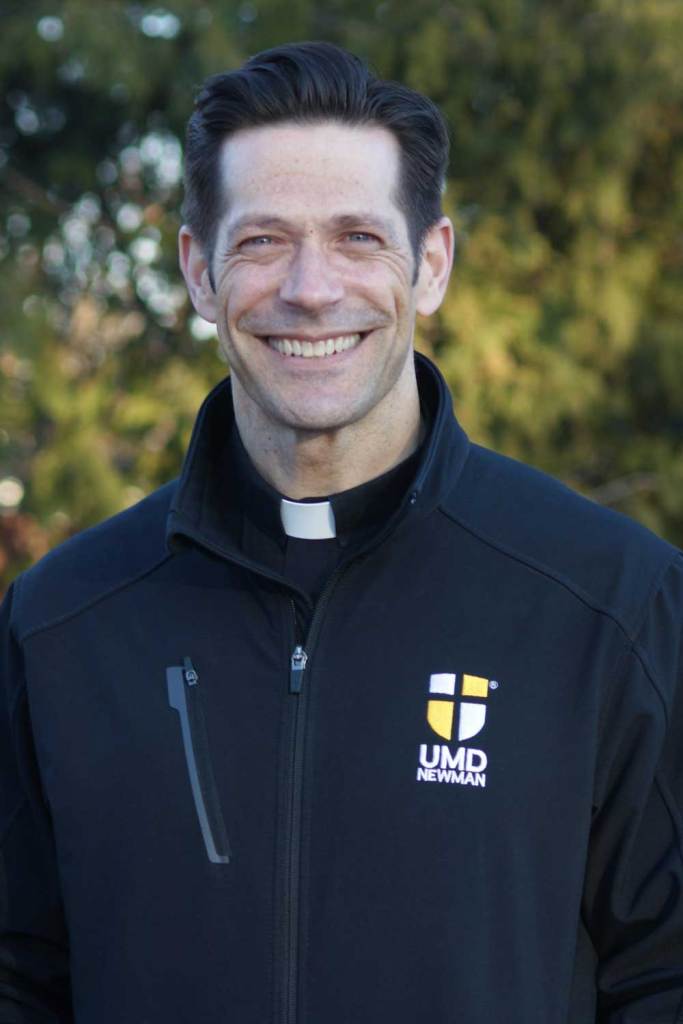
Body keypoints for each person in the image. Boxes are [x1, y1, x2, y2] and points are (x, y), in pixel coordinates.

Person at [1, 40, 681, 1024]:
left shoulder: (610, 603)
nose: (311, 289)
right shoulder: (62, 622)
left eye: (358, 238)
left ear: (431, 264)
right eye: (261, 241)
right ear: (198, 271)